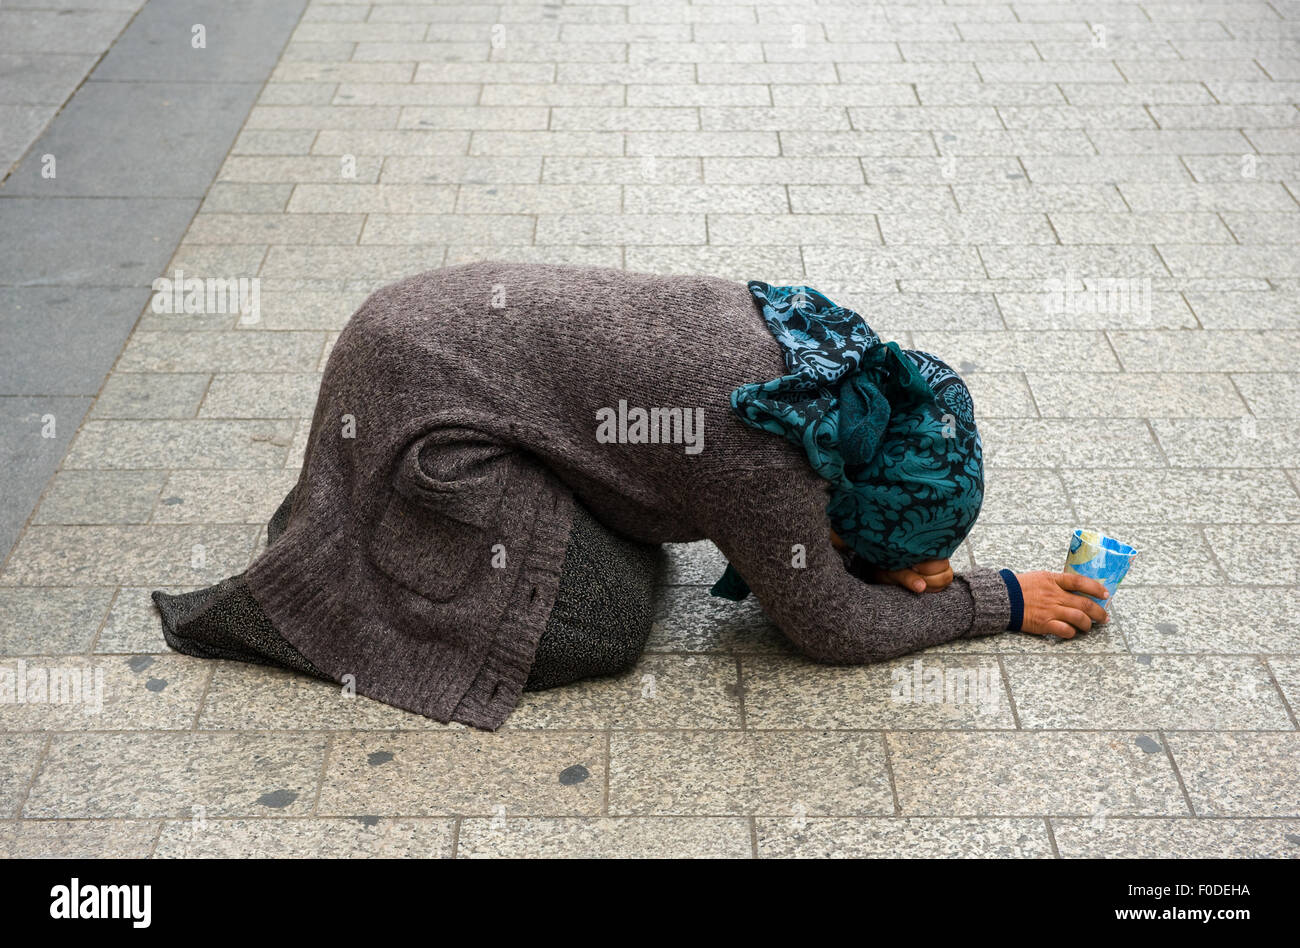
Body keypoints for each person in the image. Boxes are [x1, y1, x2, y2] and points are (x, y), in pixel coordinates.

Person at [154, 261, 1108, 730]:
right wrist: (1000, 600)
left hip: (420, 335)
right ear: (849, 498)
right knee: (603, 623)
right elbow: (827, 628)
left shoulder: (825, 367)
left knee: (641, 547)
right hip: (424, 416)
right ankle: (367, 558)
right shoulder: (769, 451)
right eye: (893, 547)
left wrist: (862, 553)